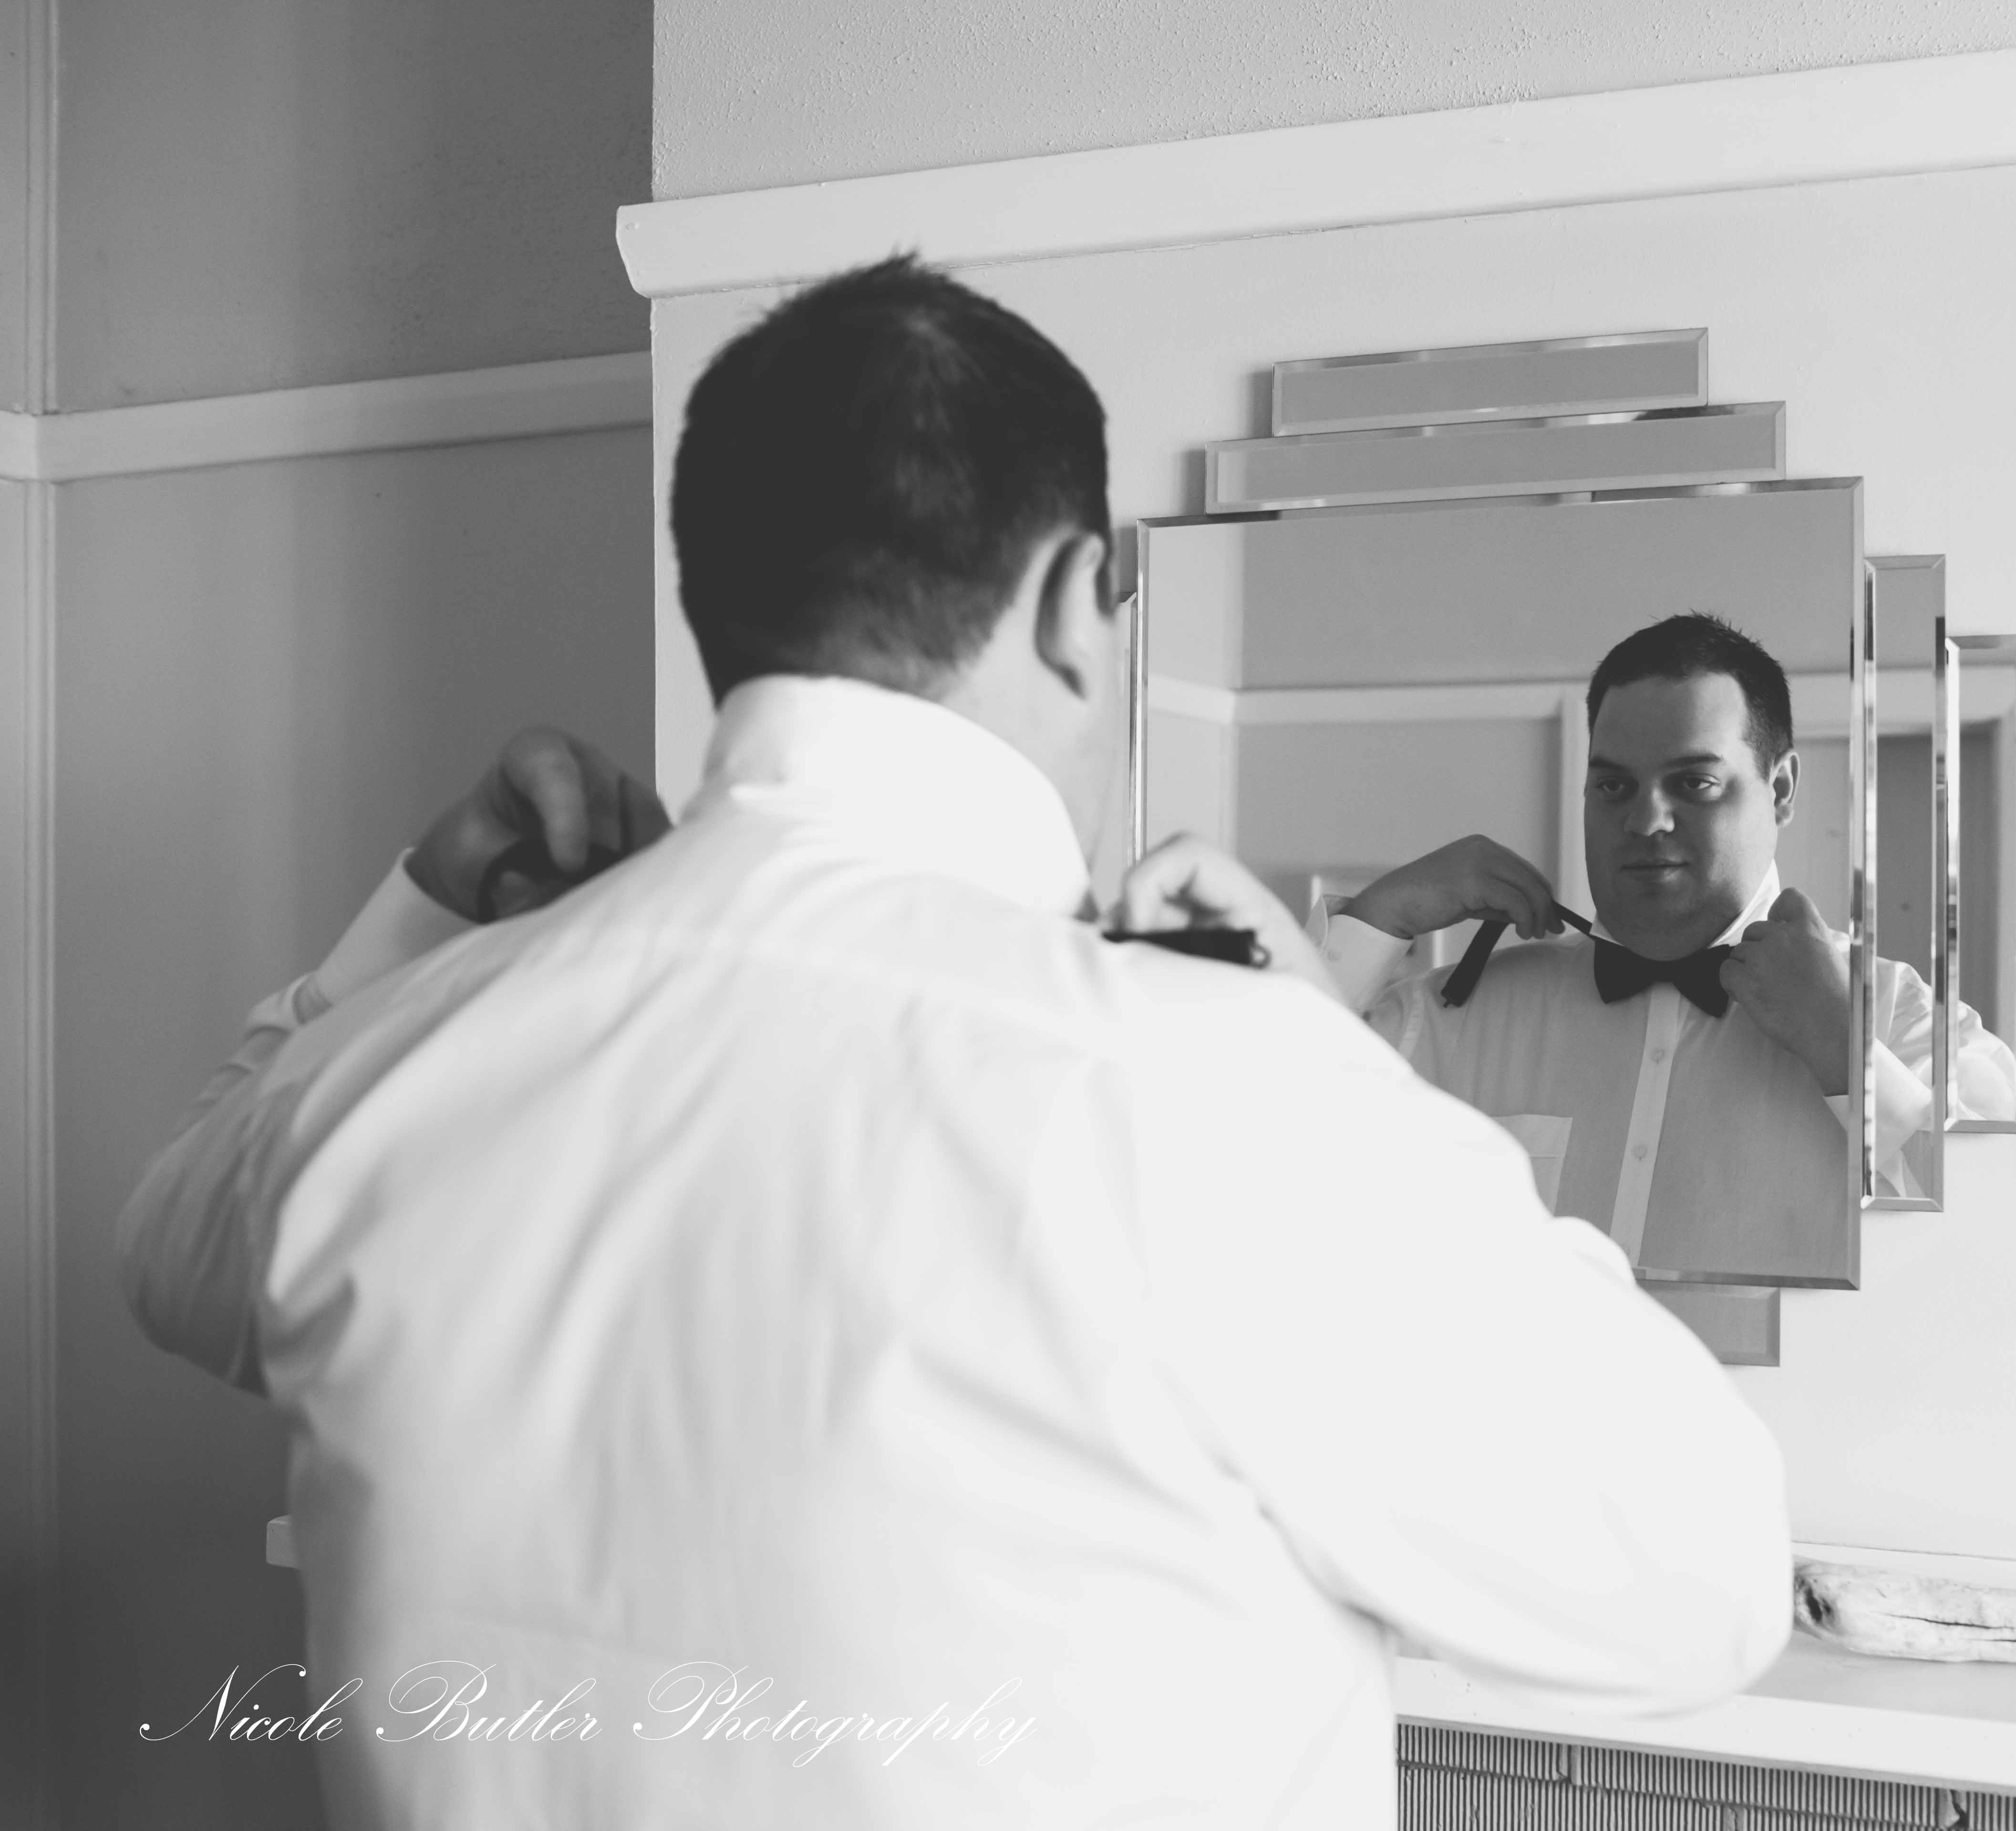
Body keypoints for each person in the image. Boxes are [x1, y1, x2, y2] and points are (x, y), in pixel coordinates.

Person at [115, 257, 1789, 1830]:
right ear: (1075, 602)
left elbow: (169, 1234)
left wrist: (434, 906)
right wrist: (1313, 1050)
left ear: (718, 604)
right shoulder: (1231, 1100)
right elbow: (1706, 1576)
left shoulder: (395, 1070)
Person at [1318, 614, 2016, 1292]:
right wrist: (1382, 917)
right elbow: (1267, 1133)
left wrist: (1845, 1046)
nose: (1646, 820)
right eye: (1614, 786)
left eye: (1693, 783)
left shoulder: (1901, 1021)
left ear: (1780, 790)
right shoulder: (1455, 1019)